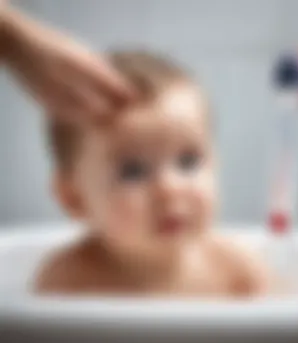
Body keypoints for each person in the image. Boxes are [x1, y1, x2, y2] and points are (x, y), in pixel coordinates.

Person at [1, 5, 274, 296]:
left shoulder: (235, 271)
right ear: (74, 198)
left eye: (189, 161)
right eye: (133, 171)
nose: (170, 188)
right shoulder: (69, 279)